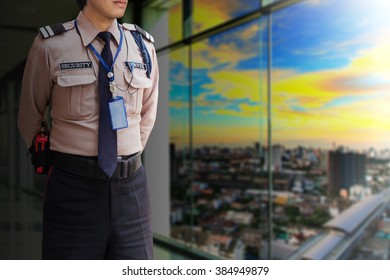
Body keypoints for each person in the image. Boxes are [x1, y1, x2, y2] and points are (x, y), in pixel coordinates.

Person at [17, 0, 159, 260]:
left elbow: (147, 115)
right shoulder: (50, 45)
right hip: (73, 190)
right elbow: (29, 117)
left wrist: (123, 155)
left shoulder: (143, 46)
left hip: (131, 189)